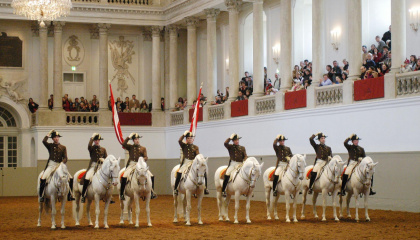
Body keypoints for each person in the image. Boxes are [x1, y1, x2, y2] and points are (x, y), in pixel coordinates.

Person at [39, 130, 74, 202]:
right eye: (55, 137)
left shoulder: (63, 147)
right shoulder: (50, 146)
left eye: (57, 137)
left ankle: (70, 195)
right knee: (43, 178)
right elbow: (43, 141)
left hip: (59, 165)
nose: (56, 138)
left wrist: (62, 163)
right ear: (52, 139)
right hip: (51, 165)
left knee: (70, 178)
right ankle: (41, 195)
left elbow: (65, 157)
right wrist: (48, 134)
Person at [120, 133, 156, 200]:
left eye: (138, 139)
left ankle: (152, 192)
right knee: (124, 176)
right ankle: (122, 193)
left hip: (140, 165)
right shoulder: (130, 147)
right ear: (133, 140)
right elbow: (123, 144)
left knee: (151, 175)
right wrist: (129, 137)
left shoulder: (143, 148)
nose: (137, 140)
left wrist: (143, 159)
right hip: (132, 164)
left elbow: (146, 157)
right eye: (135, 139)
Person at [174, 131, 209, 195]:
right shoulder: (184, 145)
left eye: (191, 138)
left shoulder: (196, 147)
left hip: (193, 162)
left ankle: (205, 188)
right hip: (186, 162)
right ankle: (176, 188)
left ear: (193, 139)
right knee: (179, 172)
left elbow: (197, 155)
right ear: (186, 139)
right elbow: (179, 140)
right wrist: (184, 135)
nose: (190, 139)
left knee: (203, 172)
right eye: (188, 138)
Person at [80, 133, 108, 203]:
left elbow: (106, 158)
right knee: (87, 177)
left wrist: (104, 160)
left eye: (98, 140)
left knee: (108, 178)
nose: (97, 141)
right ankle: (83, 195)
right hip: (93, 166)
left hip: (101, 167)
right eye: (95, 140)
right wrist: (92, 137)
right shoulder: (91, 148)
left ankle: (107, 195)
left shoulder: (103, 149)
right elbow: (89, 145)